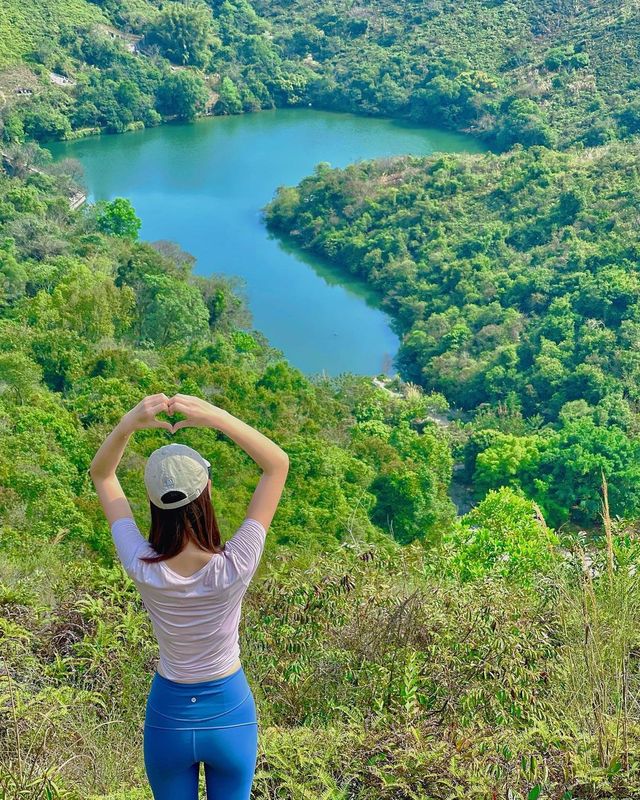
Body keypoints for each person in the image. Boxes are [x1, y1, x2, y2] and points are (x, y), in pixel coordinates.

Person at [89, 392, 289, 799]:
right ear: (208, 492)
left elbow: (102, 475)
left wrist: (128, 422)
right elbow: (276, 465)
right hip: (230, 714)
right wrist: (215, 416)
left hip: (169, 719)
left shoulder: (142, 563)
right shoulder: (236, 563)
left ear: (151, 502)